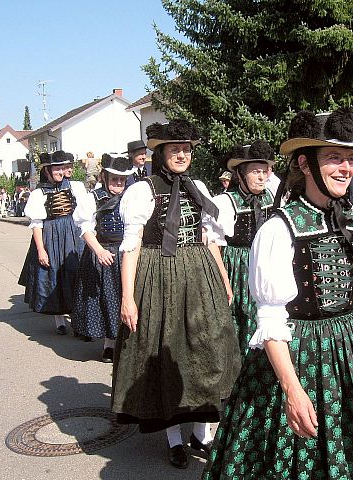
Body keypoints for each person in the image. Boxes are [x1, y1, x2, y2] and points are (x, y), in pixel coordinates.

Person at [203, 107, 353, 479]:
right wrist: (292, 390)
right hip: (298, 354)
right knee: (294, 457)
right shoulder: (279, 230)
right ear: (305, 163)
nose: (346, 168)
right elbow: (269, 316)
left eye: (349, 159)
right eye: (334, 158)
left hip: (352, 351)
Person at [112, 120, 240, 469]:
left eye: (186, 149)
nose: (182, 155)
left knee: (206, 350)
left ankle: (203, 432)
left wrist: (224, 280)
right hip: (159, 276)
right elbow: (131, 247)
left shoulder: (198, 187)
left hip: (200, 275)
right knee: (166, 351)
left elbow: (209, 238)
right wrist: (127, 297)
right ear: (161, 153)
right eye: (174, 150)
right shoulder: (143, 190)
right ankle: (174, 439)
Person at [212, 140, 276, 358]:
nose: (261, 177)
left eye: (263, 171)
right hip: (239, 266)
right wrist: (223, 281)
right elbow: (213, 244)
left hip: (266, 262)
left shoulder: (272, 196)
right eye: (255, 172)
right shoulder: (226, 202)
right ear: (240, 174)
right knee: (240, 319)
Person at [72, 155, 135, 362]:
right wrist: (99, 251)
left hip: (128, 253)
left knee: (128, 298)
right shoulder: (92, 198)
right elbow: (86, 230)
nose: (118, 183)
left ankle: (130, 344)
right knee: (107, 300)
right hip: (104, 253)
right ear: (105, 177)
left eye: (122, 180)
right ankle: (109, 345)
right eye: (114, 179)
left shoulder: (132, 199)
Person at [18, 151, 86, 334]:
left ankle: (78, 320)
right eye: (56, 168)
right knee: (55, 275)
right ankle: (60, 320)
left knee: (74, 275)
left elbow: (84, 215)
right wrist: (41, 250)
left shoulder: (76, 187)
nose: (60, 171)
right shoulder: (38, 193)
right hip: (51, 236)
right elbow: (37, 224)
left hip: (73, 235)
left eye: (62, 168)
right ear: (47, 171)